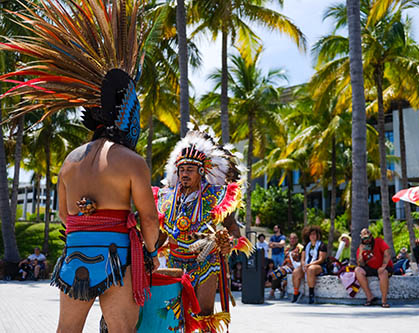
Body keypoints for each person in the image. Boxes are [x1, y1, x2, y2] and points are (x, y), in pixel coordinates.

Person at [0, 1, 160, 332]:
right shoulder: (131, 161)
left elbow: (63, 216)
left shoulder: (70, 160)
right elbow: (147, 217)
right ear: (127, 114)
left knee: (66, 331)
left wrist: (88, 224)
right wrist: (150, 251)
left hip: (74, 257)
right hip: (118, 257)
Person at [155, 127, 250, 332]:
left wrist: (227, 243)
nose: (185, 174)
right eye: (181, 169)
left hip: (206, 263)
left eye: (190, 169)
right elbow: (160, 234)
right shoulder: (166, 199)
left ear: (201, 172)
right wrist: (146, 252)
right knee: (175, 314)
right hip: (174, 262)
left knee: (204, 315)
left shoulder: (217, 197)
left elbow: (234, 231)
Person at [355, 228, 393, 308]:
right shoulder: (361, 248)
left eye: (368, 237)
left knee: (383, 273)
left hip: (384, 266)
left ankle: (384, 301)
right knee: (358, 270)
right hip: (372, 268)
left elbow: (388, 252)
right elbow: (360, 264)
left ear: (371, 236)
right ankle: (369, 297)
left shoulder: (378, 241)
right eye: (364, 238)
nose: (367, 240)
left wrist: (383, 267)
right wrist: (361, 253)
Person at [291, 226, 327, 304]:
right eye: (311, 234)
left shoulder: (322, 245)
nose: (312, 236)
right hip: (307, 265)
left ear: (318, 235)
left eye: (314, 234)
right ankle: (296, 293)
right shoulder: (306, 245)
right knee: (296, 272)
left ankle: (311, 294)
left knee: (311, 269)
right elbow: (302, 258)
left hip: (318, 266)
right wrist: (303, 264)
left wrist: (309, 264)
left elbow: (321, 259)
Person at [269, 232, 303, 299]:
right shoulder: (287, 248)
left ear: (297, 239)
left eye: (294, 238)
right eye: (291, 238)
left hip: (295, 267)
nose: (292, 240)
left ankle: (272, 292)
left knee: (277, 273)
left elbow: (303, 258)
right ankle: (281, 290)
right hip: (286, 267)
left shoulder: (300, 247)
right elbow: (285, 259)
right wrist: (282, 266)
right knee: (273, 275)